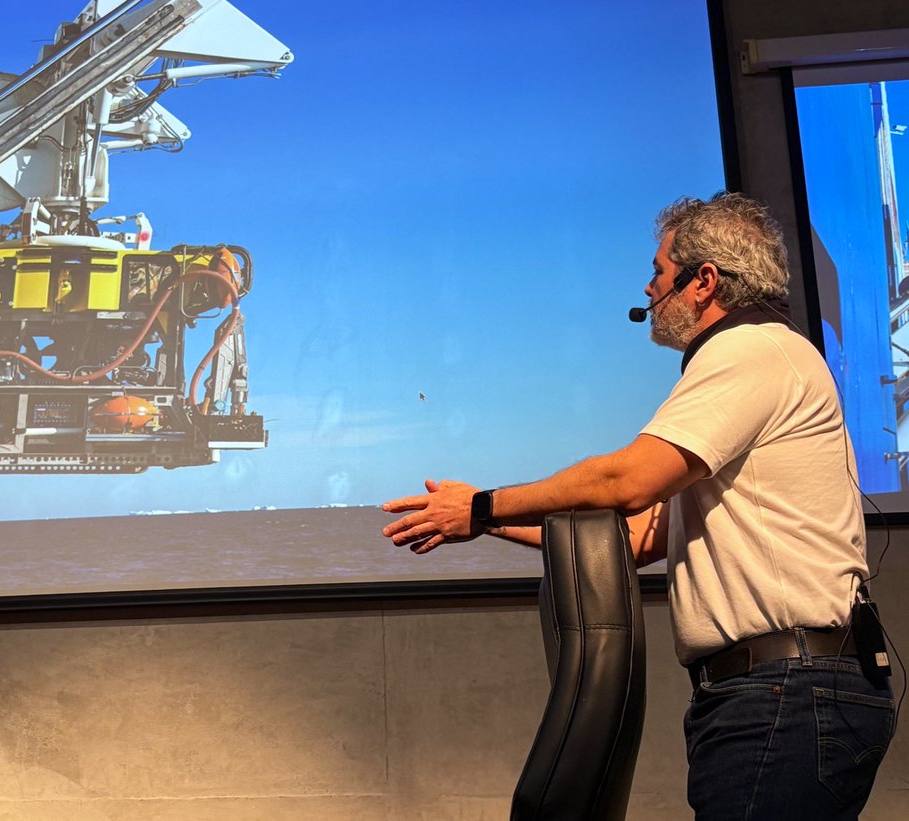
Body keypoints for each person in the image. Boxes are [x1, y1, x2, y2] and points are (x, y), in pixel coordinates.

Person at [381, 193, 895, 820]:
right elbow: (636, 534)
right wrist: (478, 521)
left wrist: (484, 504)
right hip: (775, 693)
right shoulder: (757, 357)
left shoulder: (751, 350)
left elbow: (627, 480)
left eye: (658, 271)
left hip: (788, 692)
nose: (649, 287)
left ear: (704, 281)